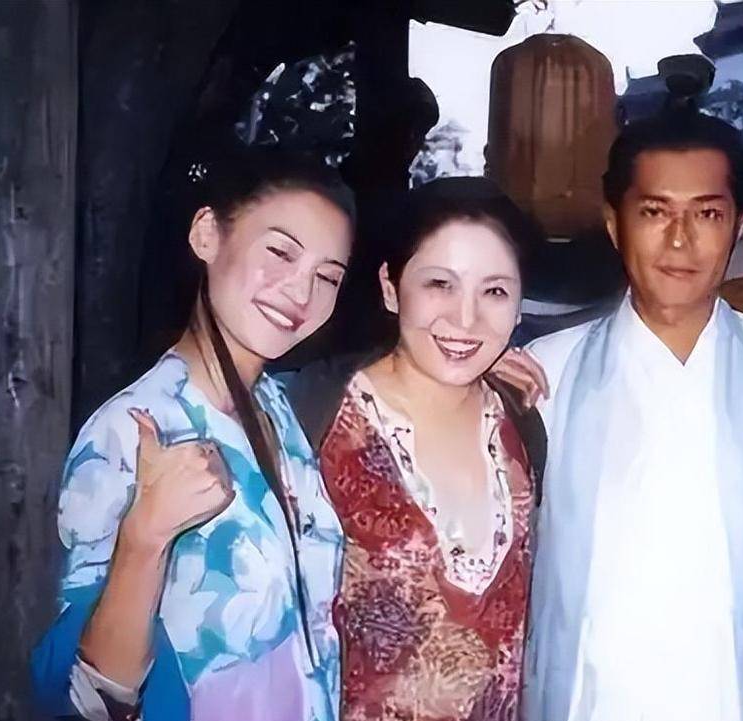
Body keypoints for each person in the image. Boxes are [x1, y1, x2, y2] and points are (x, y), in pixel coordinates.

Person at [519, 111, 743, 721]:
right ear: (614, 223)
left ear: (739, 224)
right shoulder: (544, 374)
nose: (680, 241)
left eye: (707, 214)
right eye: (655, 212)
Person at [31, 150, 355, 721]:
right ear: (207, 234)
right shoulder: (134, 430)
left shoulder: (277, 408)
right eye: (280, 252)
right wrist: (144, 539)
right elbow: (86, 700)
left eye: (327, 277)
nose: (301, 293)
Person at [285, 177, 546, 721]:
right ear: (390, 287)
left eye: (495, 292)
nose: (465, 319)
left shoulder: (521, 426)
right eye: (439, 284)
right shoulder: (313, 420)